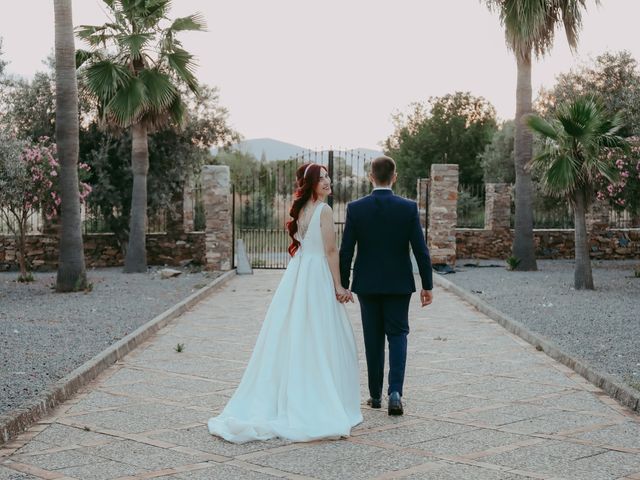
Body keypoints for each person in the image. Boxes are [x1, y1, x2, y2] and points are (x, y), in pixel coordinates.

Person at [208, 163, 362, 444]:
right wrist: (339, 285)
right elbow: (329, 250)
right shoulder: (324, 210)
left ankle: (295, 392)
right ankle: (320, 398)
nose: (328, 181)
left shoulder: (301, 210)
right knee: (323, 334)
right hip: (315, 275)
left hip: (299, 274)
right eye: (322, 178)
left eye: (328, 177)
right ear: (311, 183)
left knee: (295, 333)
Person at [339, 155, 433, 416]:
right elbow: (420, 250)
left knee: (373, 339)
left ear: (371, 177)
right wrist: (427, 284)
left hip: (367, 284)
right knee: (398, 335)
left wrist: (344, 285)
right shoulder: (408, 208)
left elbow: (346, 251)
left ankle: (374, 395)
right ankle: (395, 393)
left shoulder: (356, 208)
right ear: (395, 176)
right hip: (399, 283)